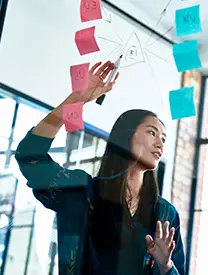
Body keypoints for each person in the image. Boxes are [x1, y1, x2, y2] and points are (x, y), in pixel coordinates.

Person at [15, 61, 185, 275]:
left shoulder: (165, 214)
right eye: (152, 132)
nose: (160, 143)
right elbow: (30, 156)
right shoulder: (82, 192)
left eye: (163, 138)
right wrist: (74, 101)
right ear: (125, 137)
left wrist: (166, 265)